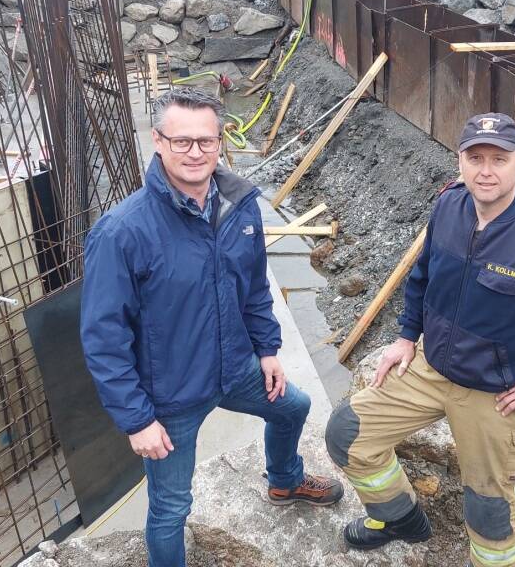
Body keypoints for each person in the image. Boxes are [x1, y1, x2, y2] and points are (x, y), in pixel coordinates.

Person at [325, 112, 515, 567]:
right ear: (460, 161)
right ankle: (398, 518)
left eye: (499, 159)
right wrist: (407, 337)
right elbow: (423, 274)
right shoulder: (449, 205)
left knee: (488, 509)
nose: (486, 170)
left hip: (498, 392)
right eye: (475, 158)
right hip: (430, 368)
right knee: (347, 434)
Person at [80, 88, 343, 567]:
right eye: (182, 142)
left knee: (293, 408)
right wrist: (137, 419)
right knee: (170, 508)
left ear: (220, 142)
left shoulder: (239, 206)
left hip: (234, 366)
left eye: (206, 141)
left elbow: (255, 285)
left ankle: (284, 480)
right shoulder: (122, 232)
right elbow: (103, 339)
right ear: (157, 142)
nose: (195, 152)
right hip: (173, 393)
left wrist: (266, 350)